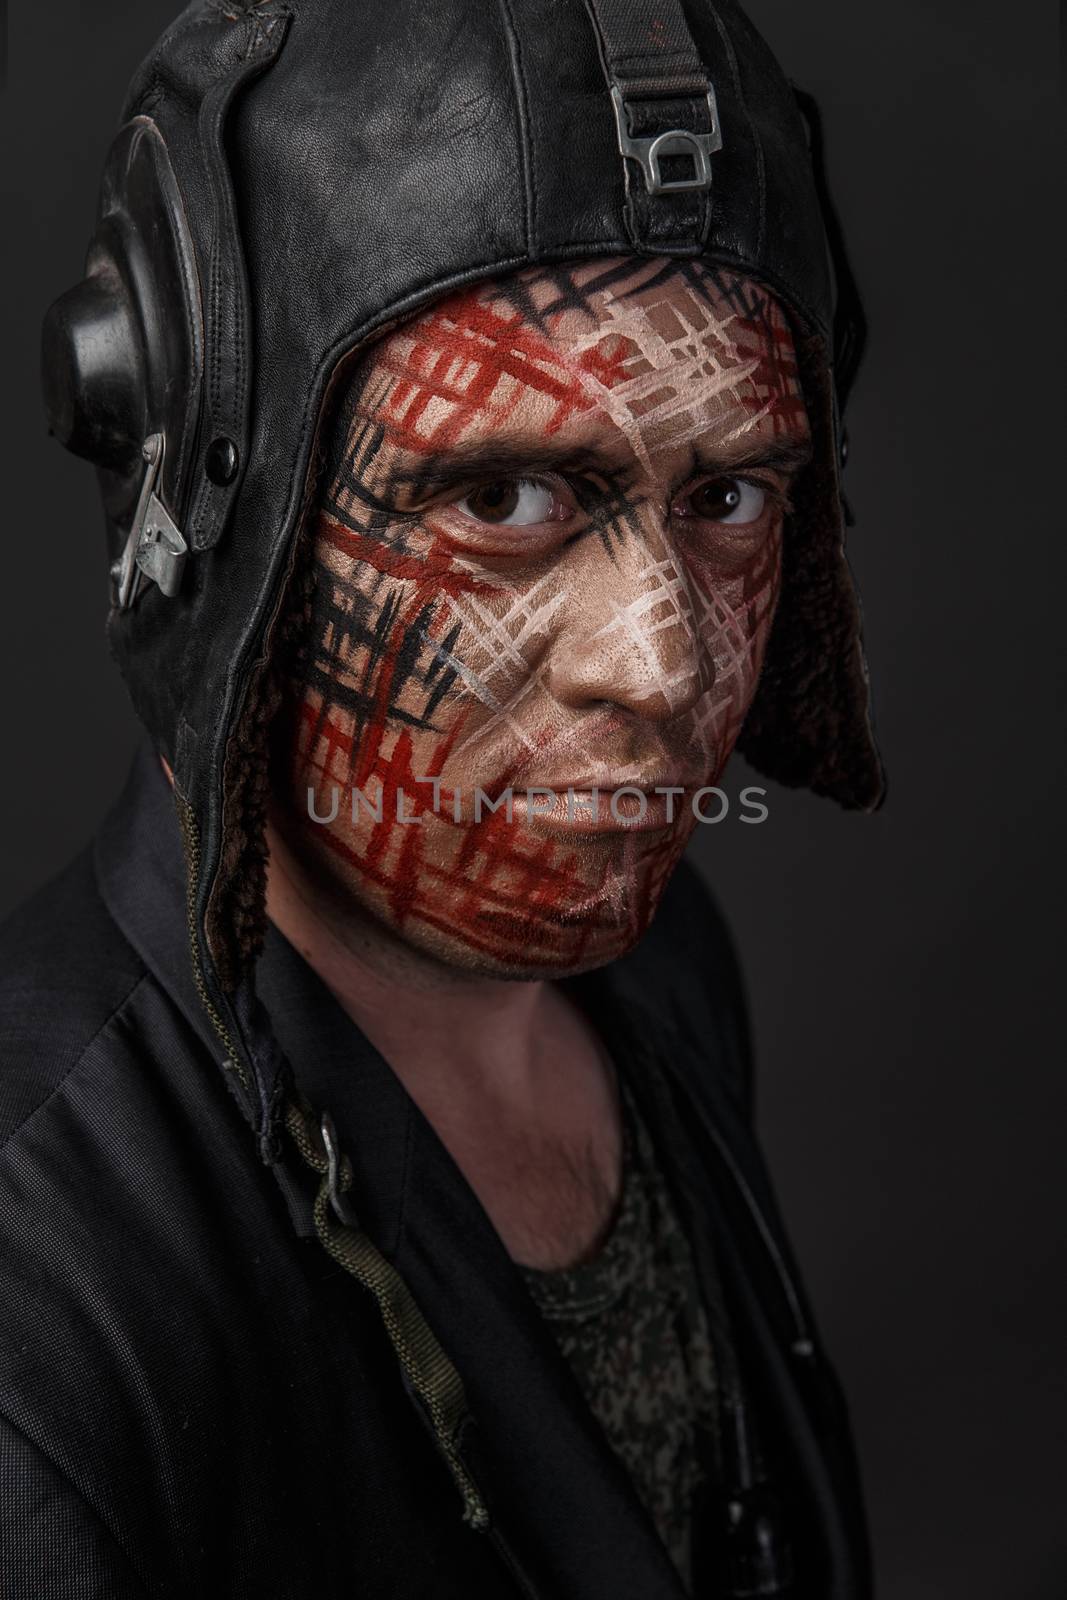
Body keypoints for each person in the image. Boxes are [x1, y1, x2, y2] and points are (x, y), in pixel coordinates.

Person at [2, 2, 883, 1596]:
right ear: (221, 504)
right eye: (505, 496)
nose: (662, 662)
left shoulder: (664, 974)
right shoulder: (41, 1277)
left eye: (731, 495)